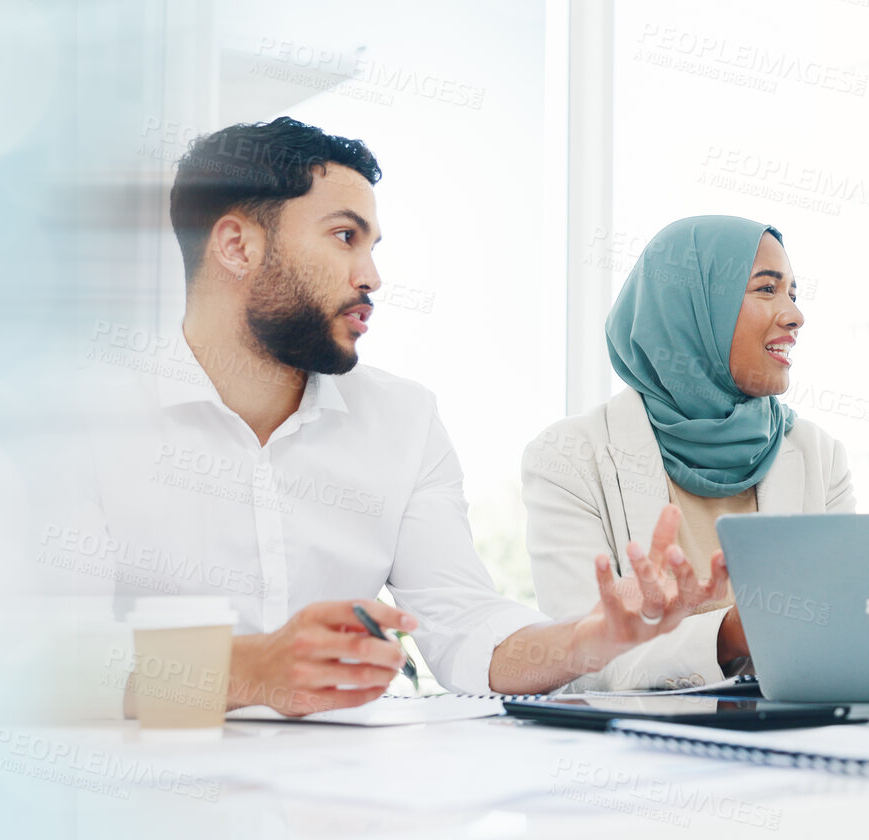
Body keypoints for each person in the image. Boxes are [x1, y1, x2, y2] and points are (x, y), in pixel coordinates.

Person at [81, 116, 728, 717]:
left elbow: (465, 628)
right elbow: (28, 661)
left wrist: (588, 640)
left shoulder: (404, 419)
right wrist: (251, 670)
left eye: (372, 245)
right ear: (235, 245)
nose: (371, 276)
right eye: (344, 237)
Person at [523, 216, 856, 691]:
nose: (794, 315)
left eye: (794, 295)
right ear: (693, 308)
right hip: (633, 756)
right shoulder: (569, 458)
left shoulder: (819, 455)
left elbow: (839, 638)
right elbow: (582, 664)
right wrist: (728, 636)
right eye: (767, 289)